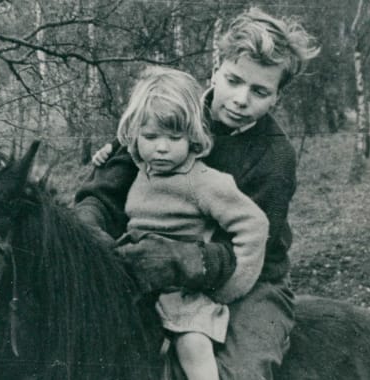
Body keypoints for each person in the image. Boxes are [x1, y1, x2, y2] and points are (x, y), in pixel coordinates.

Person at [75, 7, 320, 380]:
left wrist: (173, 259)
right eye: (234, 80)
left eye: (259, 91)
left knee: (242, 371)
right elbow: (117, 176)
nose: (240, 99)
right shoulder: (177, 109)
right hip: (154, 260)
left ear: (276, 99)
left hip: (249, 278)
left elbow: (248, 246)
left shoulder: (275, 157)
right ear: (215, 71)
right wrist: (87, 227)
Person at [113, 65, 269, 380]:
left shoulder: (203, 181)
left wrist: (231, 287)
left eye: (174, 138)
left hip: (185, 292)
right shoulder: (141, 170)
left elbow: (254, 225)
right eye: (150, 136)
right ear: (135, 134)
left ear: (192, 136)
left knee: (192, 346)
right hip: (139, 286)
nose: (161, 147)